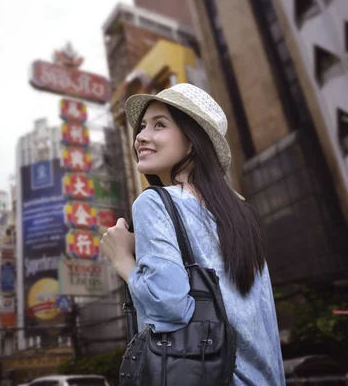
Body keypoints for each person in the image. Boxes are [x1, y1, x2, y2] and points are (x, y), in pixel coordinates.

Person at [100, 83, 285, 385]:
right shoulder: (242, 215)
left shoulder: (154, 202)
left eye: (160, 125)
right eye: (142, 126)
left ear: (192, 142)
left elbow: (170, 307)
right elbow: (267, 323)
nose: (141, 136)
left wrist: (122, 259)